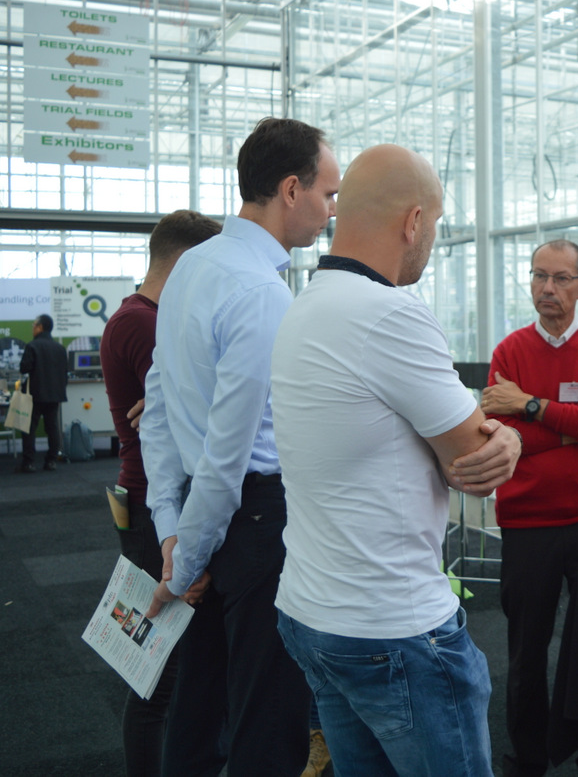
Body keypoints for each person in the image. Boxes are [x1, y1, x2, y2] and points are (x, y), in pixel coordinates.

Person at [272, 143, 521, 777]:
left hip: (311, 611)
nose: (430, 239)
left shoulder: (305, 305)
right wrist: (509, 438)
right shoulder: (389, 315)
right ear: (413, 222)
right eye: (433, 224)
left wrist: (456, 447)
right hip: (393, 627)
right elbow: (475, 462)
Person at [139, 117, 340, 777]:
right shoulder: (261, 293)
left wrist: (174, 533)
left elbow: (158, 411)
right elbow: (228, 458)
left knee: (197, 717)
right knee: (268, 726)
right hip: (253, 523)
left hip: (206, 518)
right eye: (328, 194)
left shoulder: (190, 268)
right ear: (291, 189)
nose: (331, 212)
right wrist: (183, 568)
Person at [479, 239, 578, 777]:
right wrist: (572, 431)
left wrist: (529, 405)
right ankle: (527, 759)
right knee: (525, 650)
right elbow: (499, 435)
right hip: (528, 521)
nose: (547, 288)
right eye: (539, 275)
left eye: (561, 278)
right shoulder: (509, 352)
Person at [100, 209, 222, 777]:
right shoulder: (148, 324)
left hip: (148, 499)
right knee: (158, 673)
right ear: (186, 263)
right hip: (158, 505)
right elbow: (187, 409)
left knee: (164, 666)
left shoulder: (137, 316)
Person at [18, 314, 69, 472]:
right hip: (55, 394)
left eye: (33, 325)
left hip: (35, 394)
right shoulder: (60, 348)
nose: (32, 328)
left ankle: (29, 462)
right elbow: (64, 372)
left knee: (29, 429)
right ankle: (51, 461)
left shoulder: (32, 346)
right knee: (52, 427)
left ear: (40, 327)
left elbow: (24, 368)